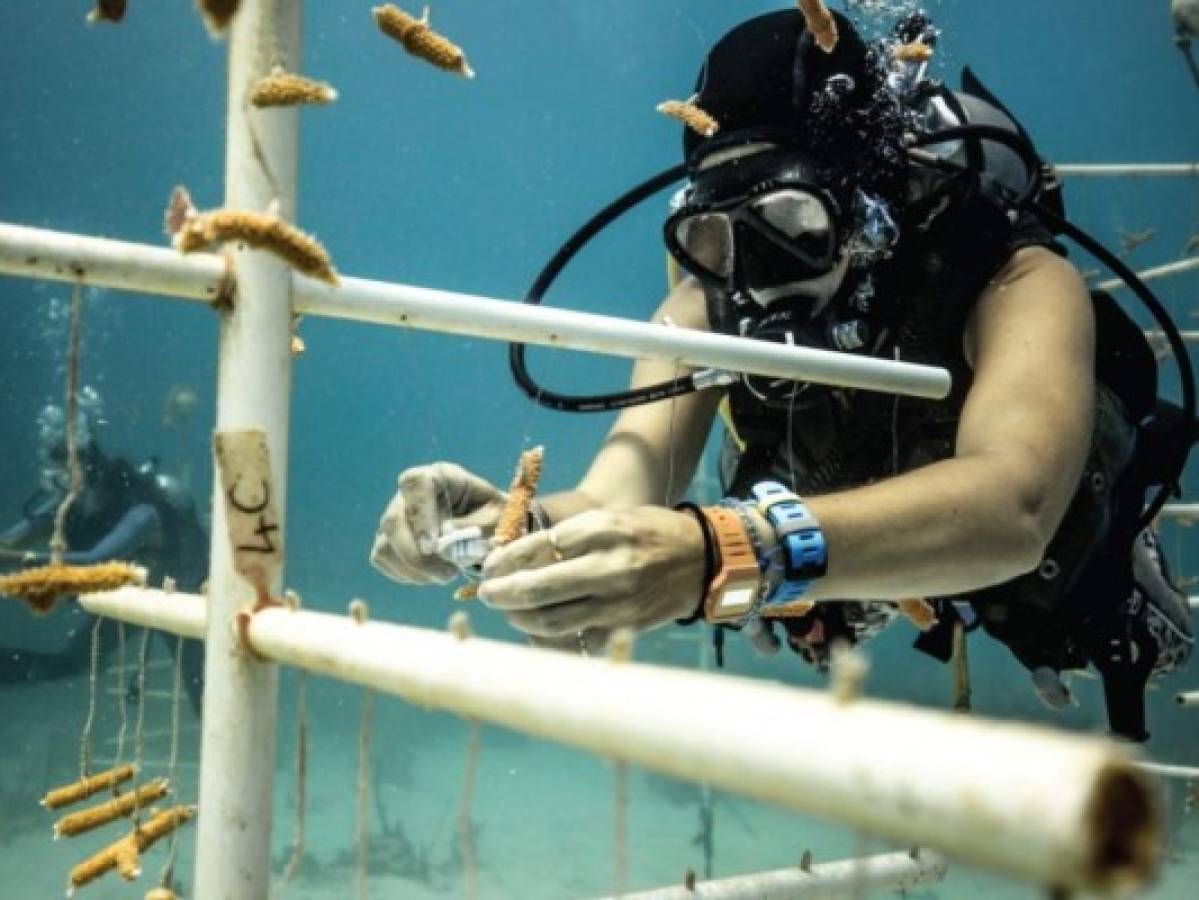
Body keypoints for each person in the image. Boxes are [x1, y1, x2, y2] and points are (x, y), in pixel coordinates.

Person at [370, 7, 1194, 741]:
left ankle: (1109, 569)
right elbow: (619, 494)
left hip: (1003, 505)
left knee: (1064, 598)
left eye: (787, 224)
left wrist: (721, 550)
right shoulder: (702, 309)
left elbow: (1014, 506)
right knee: (812, 609)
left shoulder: (1012, 278)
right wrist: (516, 528)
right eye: (713, 239)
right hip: (822, 524)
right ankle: (850, 577)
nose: (753, 271)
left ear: (866, 201)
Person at [0, 388, 207, 713]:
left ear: (90, 473)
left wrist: (20, 562)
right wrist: (11, 554)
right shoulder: (72, 502)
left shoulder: (141, 508)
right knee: (74, 661)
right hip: (141, 599)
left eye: (67, 476)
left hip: (187, 597)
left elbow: (96, 560)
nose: (61, 489)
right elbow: (9, 542)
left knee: (205, 692)